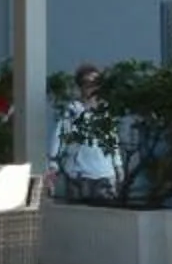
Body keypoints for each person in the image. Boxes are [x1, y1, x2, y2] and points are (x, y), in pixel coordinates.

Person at [49, 62, 119, 203]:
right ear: (80, 86)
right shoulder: (73, 110)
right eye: (87, 83)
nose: (92, 87)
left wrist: (118, 166)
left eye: (96, 83)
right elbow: (59, 138)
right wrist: (52, 166)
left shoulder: (105, 110)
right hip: (79, 175)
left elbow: (112, 139)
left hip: (105, 174)